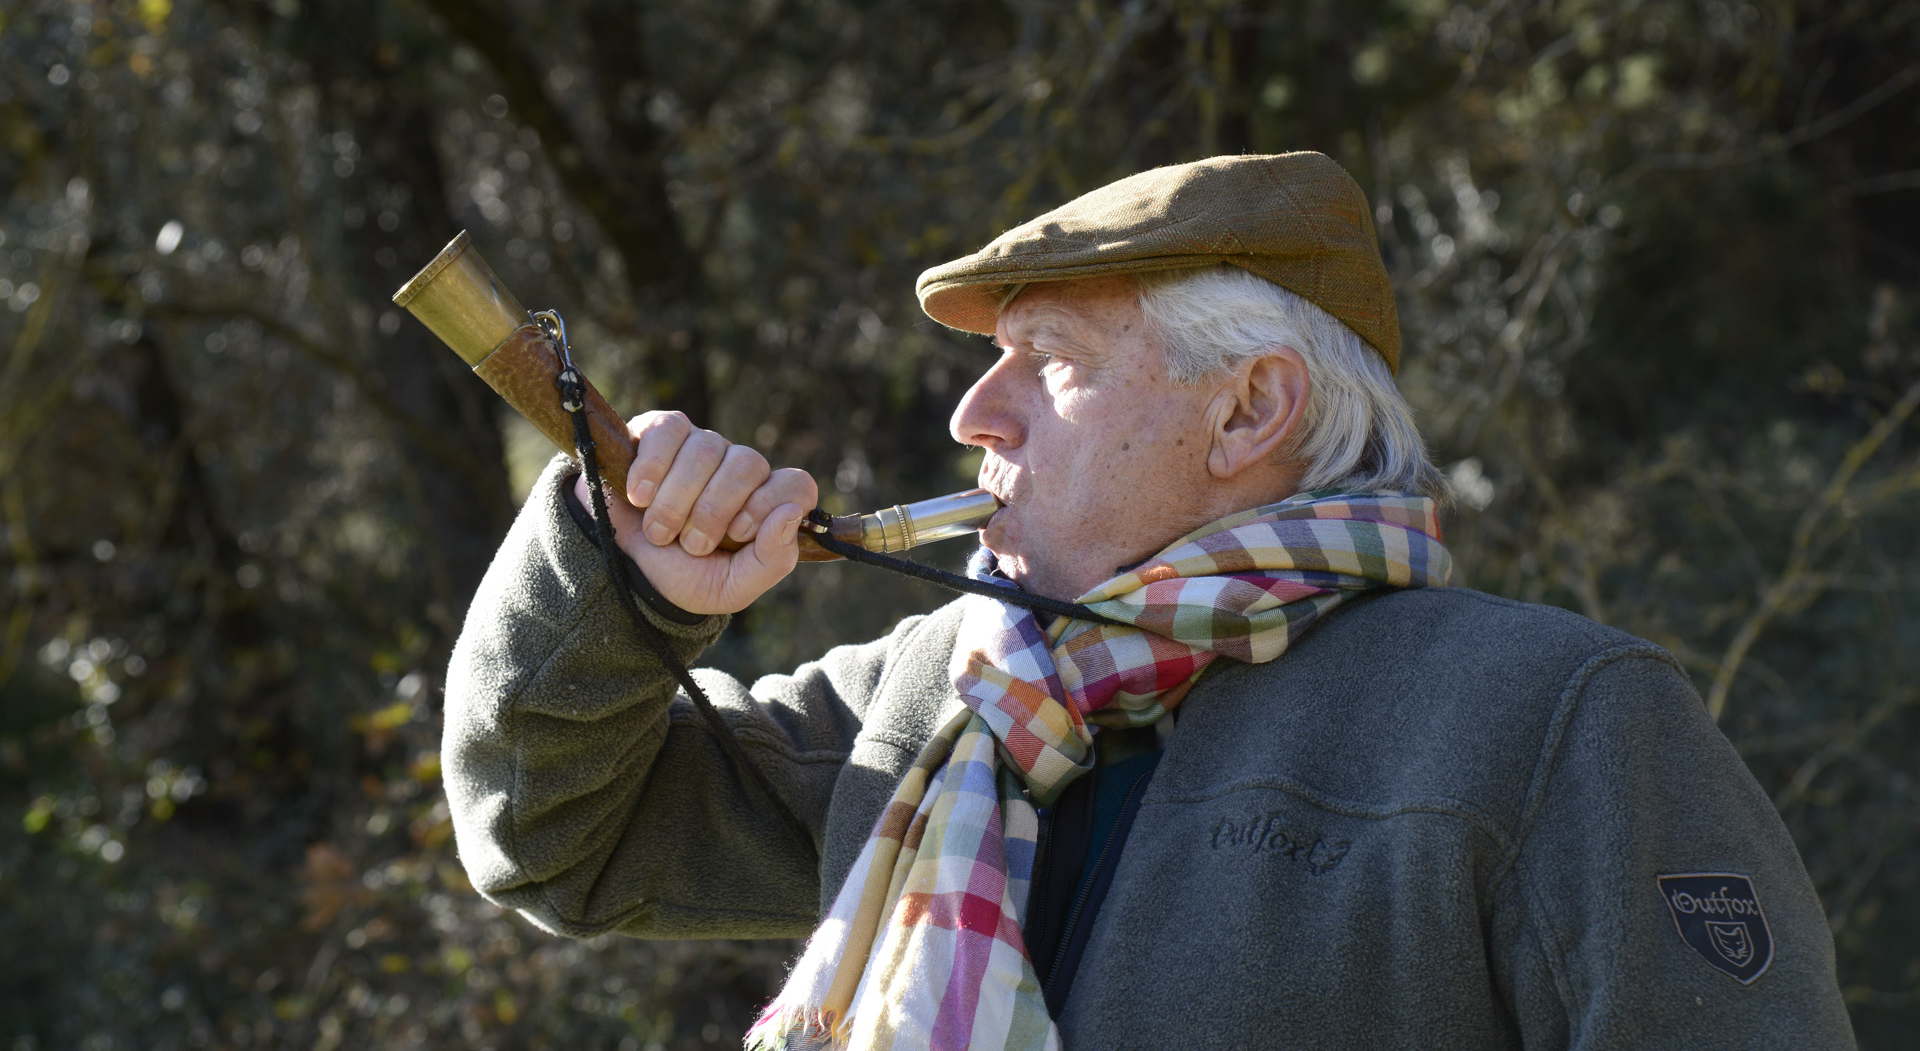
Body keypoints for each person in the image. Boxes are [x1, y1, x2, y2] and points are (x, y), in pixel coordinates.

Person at [442, 153, 1854, 1050]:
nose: (971, 415)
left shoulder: (1550, 720)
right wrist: (619, 584)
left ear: (1252, 408)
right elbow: (559, 837)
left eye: (1045, 361)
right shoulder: (950, 693)